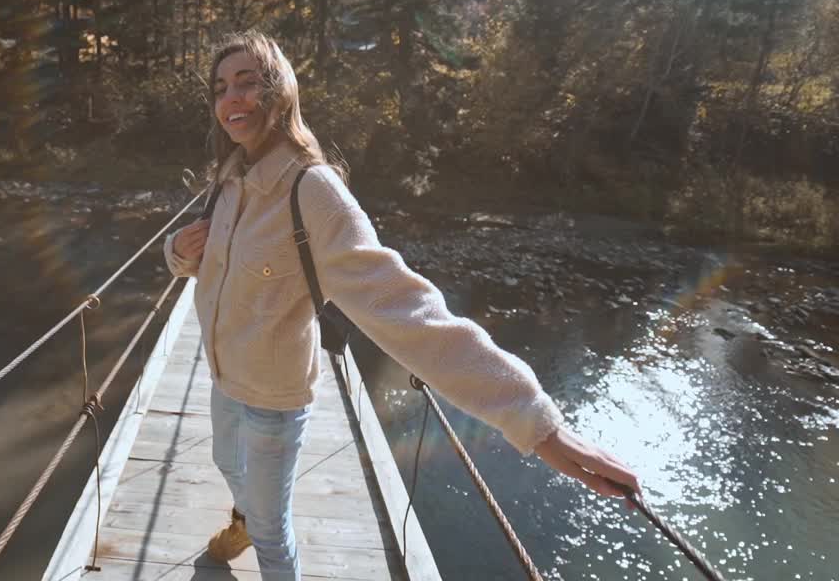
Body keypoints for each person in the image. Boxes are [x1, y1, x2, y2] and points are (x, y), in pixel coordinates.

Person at [163, 31, 640, 580]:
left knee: (273, 535)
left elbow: (408, 308)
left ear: (280, 92)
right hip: (222, 382)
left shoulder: (311, 190)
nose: (231, 99)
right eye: (221, 88)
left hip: (273, 400)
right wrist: (177, 250)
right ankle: (246, 516)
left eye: (248, 83)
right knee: (228, 464)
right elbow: (201, 264)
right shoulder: (228, 181)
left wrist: (535, 422)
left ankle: (260, 530)